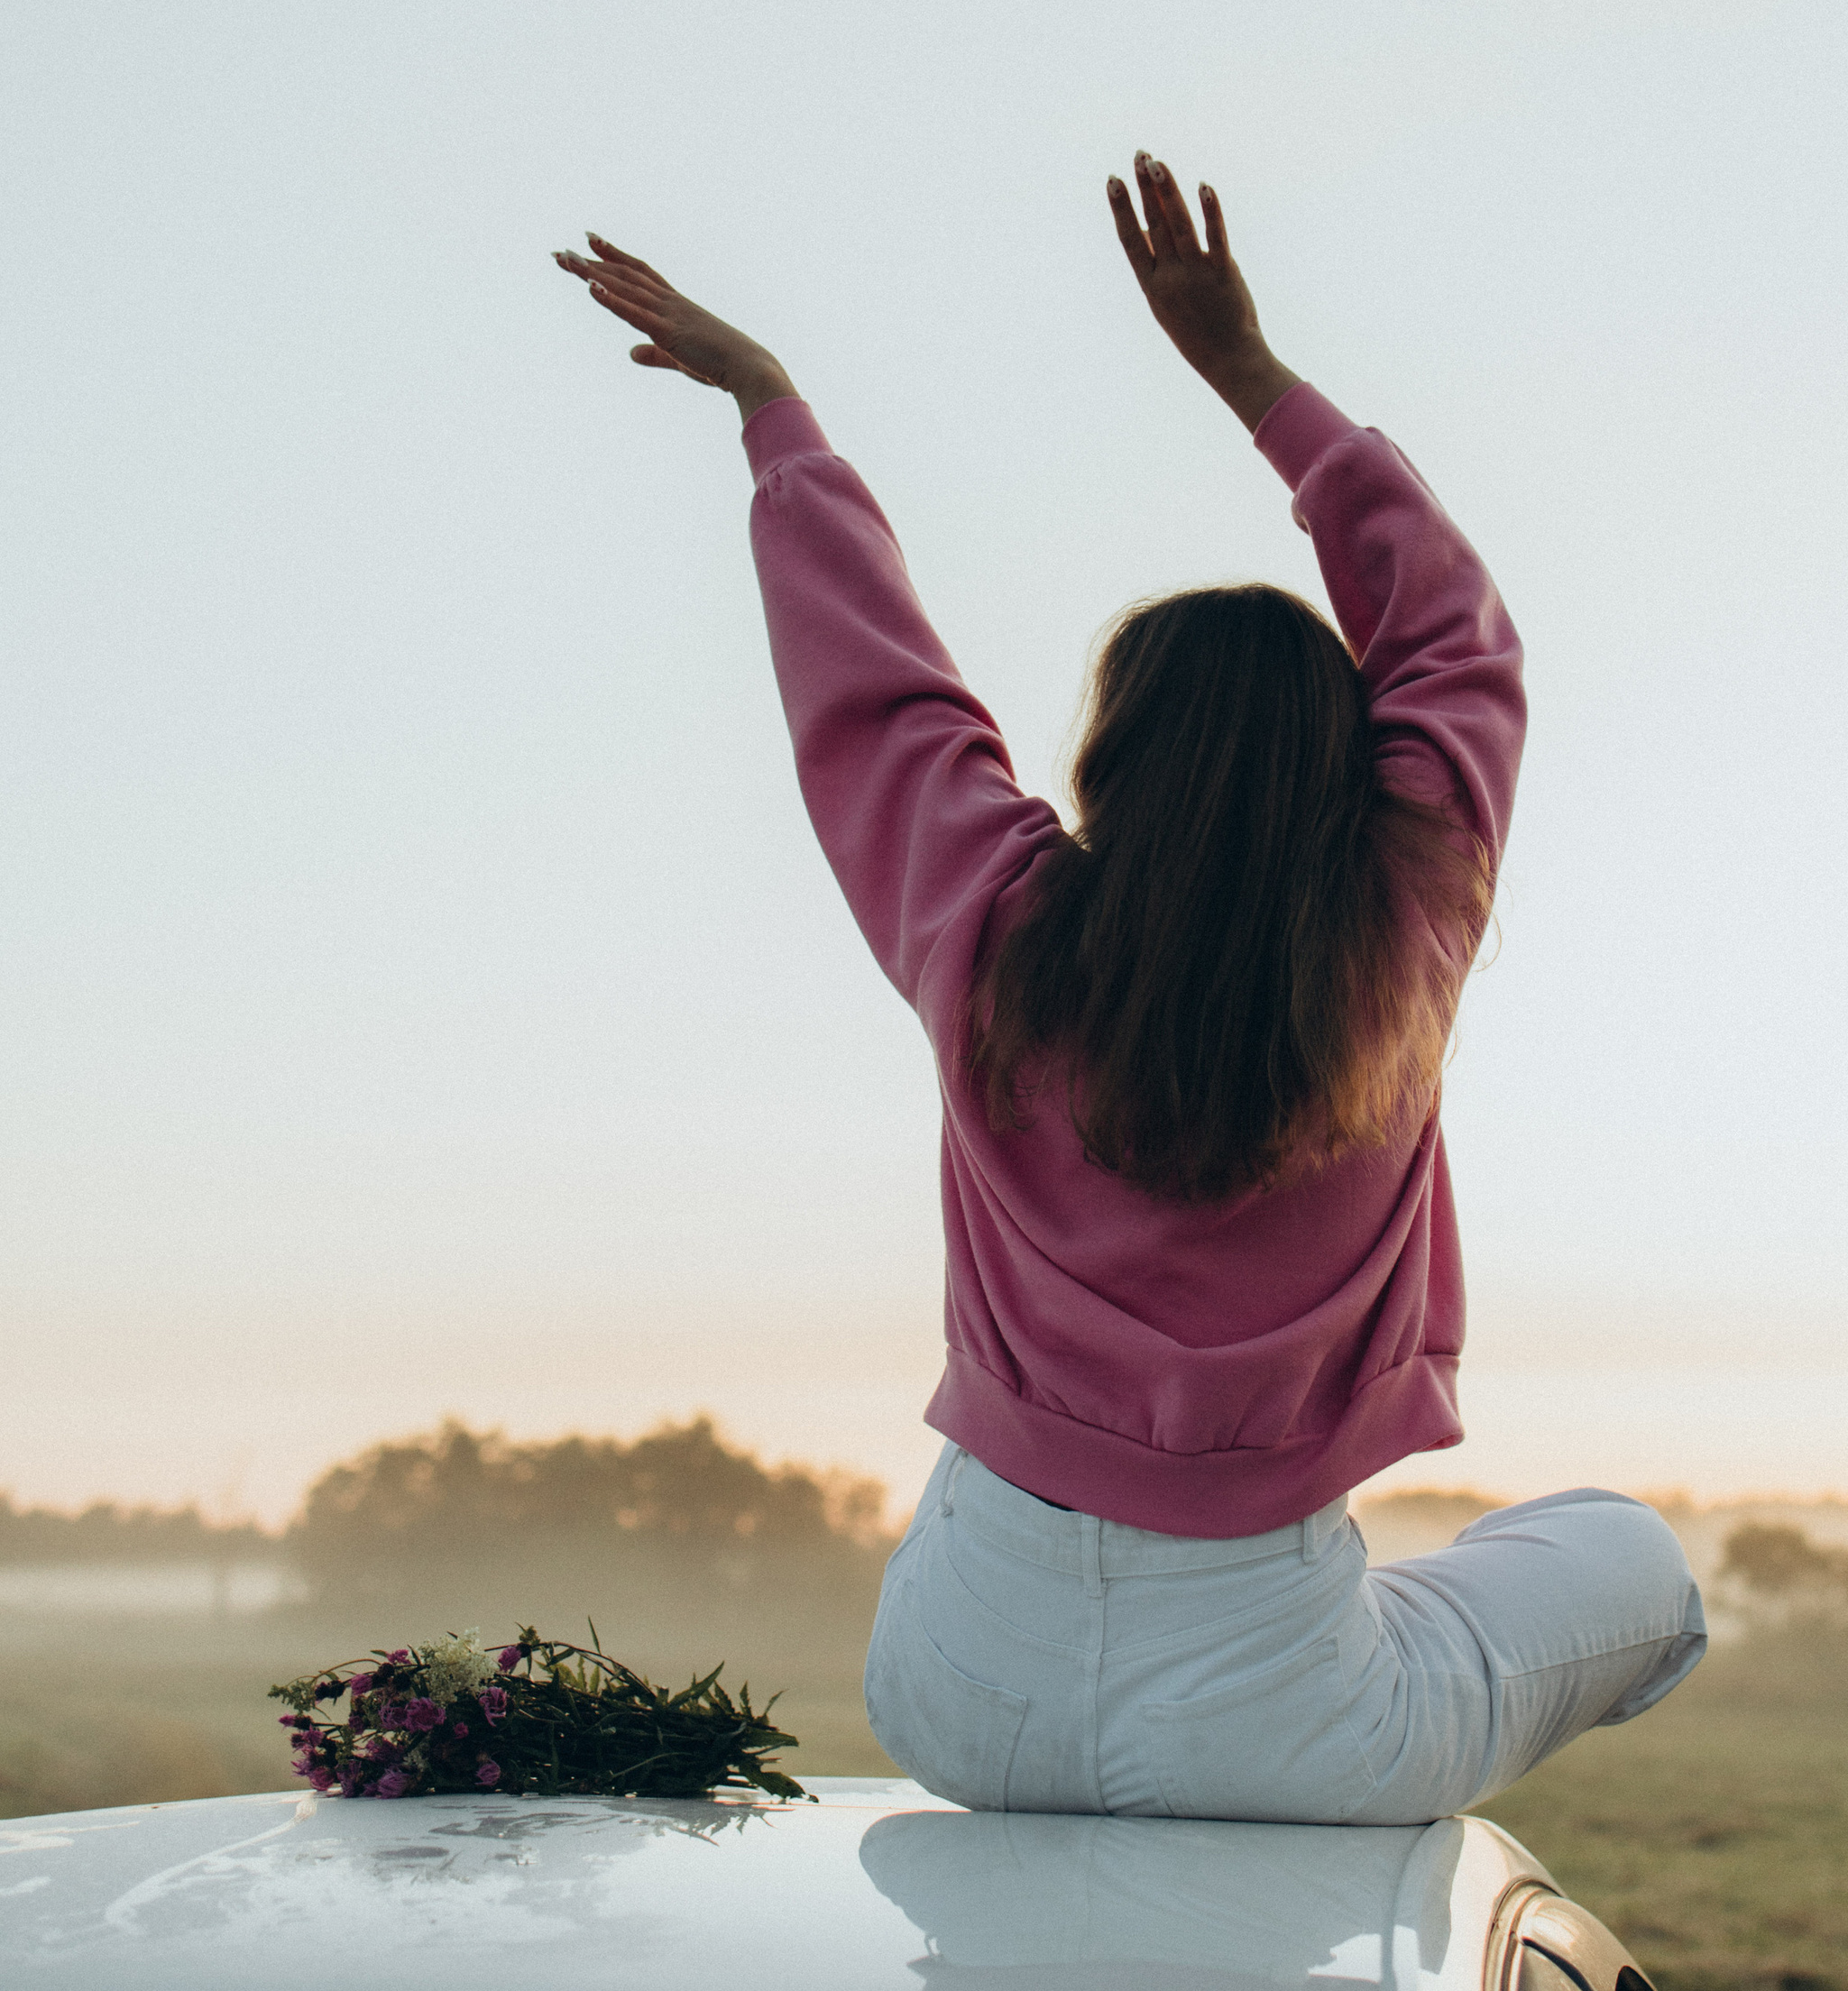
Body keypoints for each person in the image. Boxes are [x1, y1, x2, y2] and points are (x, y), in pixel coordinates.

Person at [556, 157, 1703, 1823]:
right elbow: (1458, 640)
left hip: (953, 1689)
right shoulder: (1400, 943)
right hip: (1285, 1728)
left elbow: (871, 690)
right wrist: (1248, 374)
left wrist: (776, 413)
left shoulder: (993, 934)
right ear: (1354, 776)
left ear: (1107, 765)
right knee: (1632, 1560)